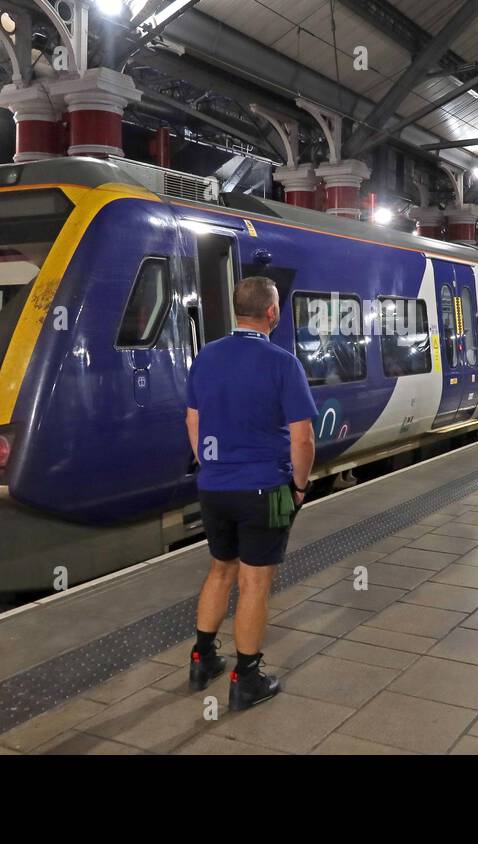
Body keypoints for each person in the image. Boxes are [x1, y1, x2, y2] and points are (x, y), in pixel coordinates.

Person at [184, 276, 317, 710]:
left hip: (214, 486)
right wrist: (298, 486)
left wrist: (212, 466)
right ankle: (248, 677)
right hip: (263, 488)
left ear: (236, 309)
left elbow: (193, 421)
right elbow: (303, 440)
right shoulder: (282, 363)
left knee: (220, 568)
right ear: (272, 313)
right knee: (255, 581)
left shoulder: (206, 356)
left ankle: (202, 659)